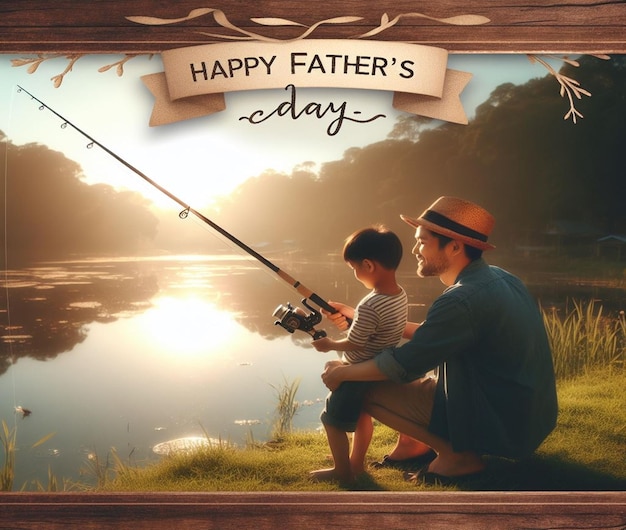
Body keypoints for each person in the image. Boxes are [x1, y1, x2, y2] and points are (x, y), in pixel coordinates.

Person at [318, 196, 558, 484]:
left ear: (455, 246)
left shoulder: (461, 298)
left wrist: (344, 372)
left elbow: (404, 364)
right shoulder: (500, 278)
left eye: (423, 242)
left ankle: (458, 459)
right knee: (386, 374)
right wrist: (363, 317)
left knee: (363, 387)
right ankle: (413, 445)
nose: (416, 250)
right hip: (525, 414)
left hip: (499, 418)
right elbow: (436, 337)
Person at [309, 225, 408, 484]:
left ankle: (341, 472)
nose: (355, 273)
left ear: (368, 265)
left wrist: (330, 344)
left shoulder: (370, 304)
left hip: (357, 373)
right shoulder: (399, 295)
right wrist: (349, 312)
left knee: (331, 421)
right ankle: (357, 465)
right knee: (363, 416)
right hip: (377, 366)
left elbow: (354, 342)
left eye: (354, 268)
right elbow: (378, 328)